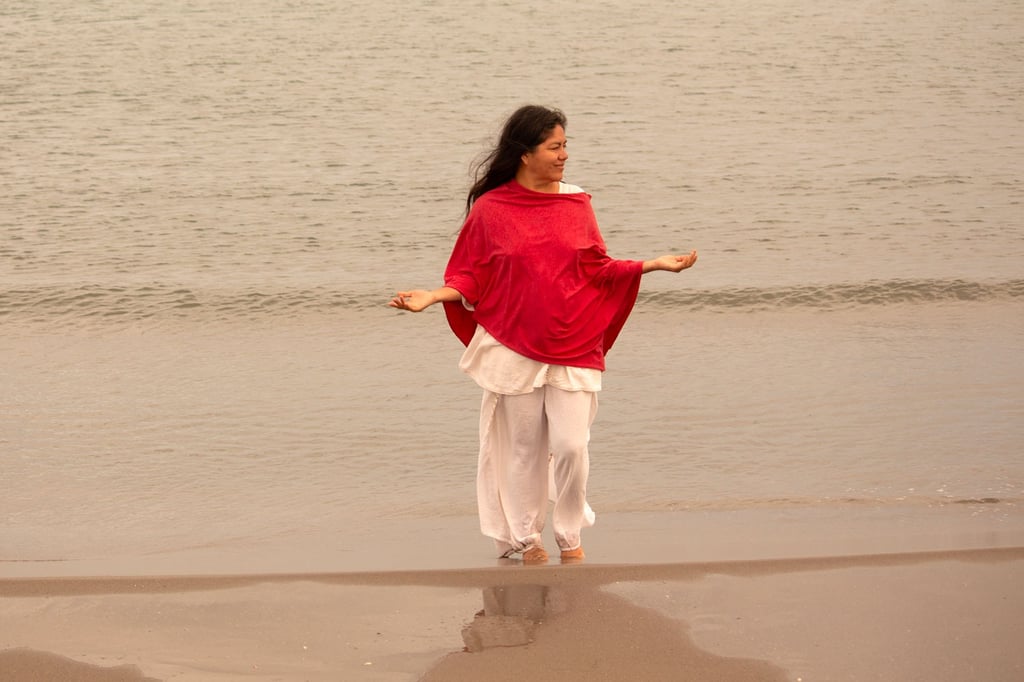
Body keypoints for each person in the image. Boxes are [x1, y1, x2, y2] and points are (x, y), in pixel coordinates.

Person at [390, 105, 697, 564]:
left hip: (573, 337)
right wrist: (434, 296)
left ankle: (568, 532)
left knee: (573, 445)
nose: (564, 155)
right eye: (554, 147)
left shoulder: (577, 202)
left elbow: (595, 265)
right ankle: (526, 538)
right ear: (524, 153)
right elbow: (472, 276)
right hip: (513, 343)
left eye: (565, 145)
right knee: (522, 450)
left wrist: (650, 265)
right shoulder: (491, 210)